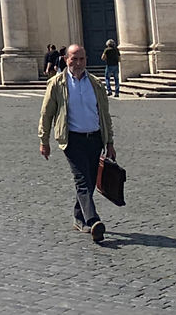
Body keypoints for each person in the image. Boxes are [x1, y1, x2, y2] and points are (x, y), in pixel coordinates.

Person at [38, 43, 115, 243]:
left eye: (82, 59)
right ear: (66, 60)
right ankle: (93, 220)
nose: (78, 63)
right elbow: (47, 114)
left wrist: (109, 143)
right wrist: (43, 140)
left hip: (95, 137)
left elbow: (104, 115)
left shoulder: (96, 84)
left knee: (89, 180)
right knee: (81, 179)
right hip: (72, 139)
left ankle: (79, 217)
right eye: (74, 59)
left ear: (86, 60)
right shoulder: (57, 84)